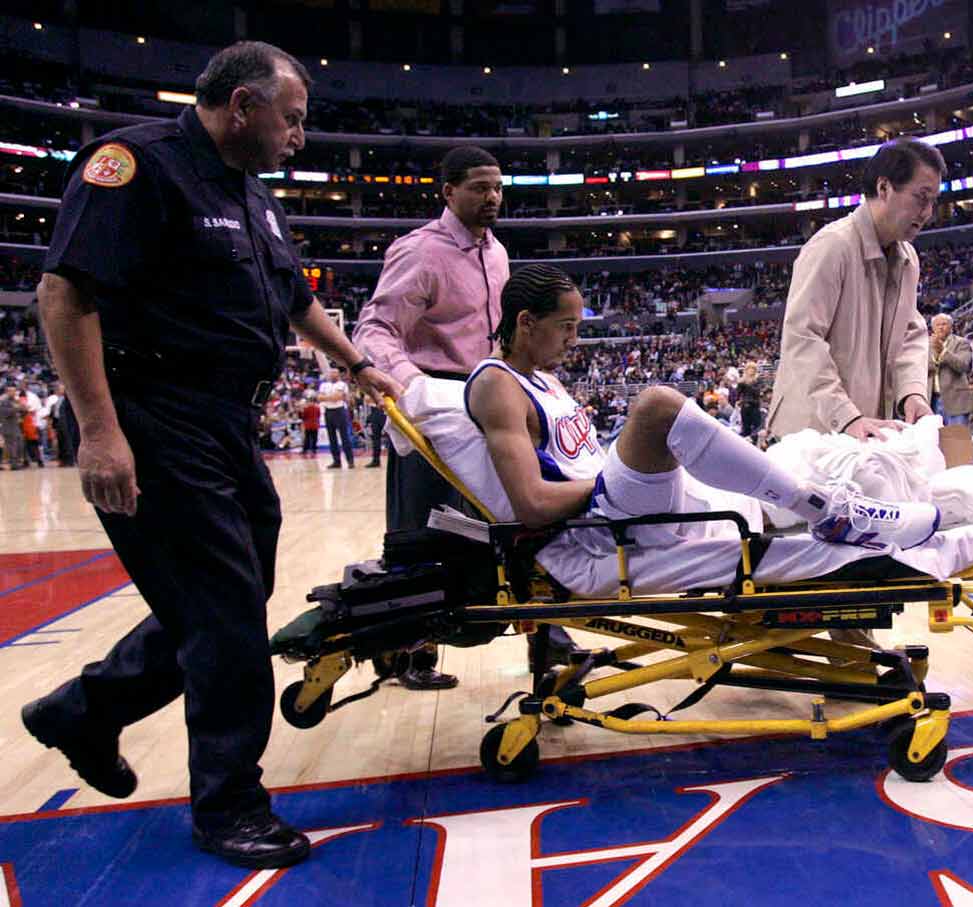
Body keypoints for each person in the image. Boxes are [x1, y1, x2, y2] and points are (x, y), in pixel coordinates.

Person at [21, 42, 403, 868]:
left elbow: (295, 299)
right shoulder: (137, 165)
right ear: (242, 106)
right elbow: (66, 291)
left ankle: (84, 709)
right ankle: (228, 803)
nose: (302, 135)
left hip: (228, 424)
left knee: (226, 598)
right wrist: (98, 429)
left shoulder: (255, 197)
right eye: (293, 118)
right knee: (227, 609)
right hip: (154, 418)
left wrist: (360, 364)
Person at [467, 265, 940, 562]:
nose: (574, 339)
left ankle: (857, 495)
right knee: (655, 406)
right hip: (598, 520)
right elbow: (530, 504)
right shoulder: (496, 385)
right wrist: (605, 480)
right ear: (526, 323)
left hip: (613, 498)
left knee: (795, 450)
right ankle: (826, 511)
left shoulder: (543, 379)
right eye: (565, 327)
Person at [352, 145, 572, 687]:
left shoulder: (497, 254)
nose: (492, 197)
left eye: (497, 187)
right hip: (436, 407)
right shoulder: (420, 252)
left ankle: (552, 649)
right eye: (479, 187)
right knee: (420, 535)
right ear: (448, 192)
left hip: (489, 397)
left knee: (519, 526)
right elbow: (375, 331)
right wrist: (415, 389)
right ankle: (408, 653)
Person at [767, 137, 945, 441]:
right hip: (809, 434)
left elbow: (910, 334)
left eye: (933, 202)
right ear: (884, 188)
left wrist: (913, 393)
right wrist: (845, 415)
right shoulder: (832, 246)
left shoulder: (908, 259)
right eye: (921, 197)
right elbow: (802, 339)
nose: (927, 212)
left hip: (865, 430)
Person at [930, 314, 973, 426]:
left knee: (956, 440)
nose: (941, 327)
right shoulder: (926, 345)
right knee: (936, 440)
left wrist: (943, 351)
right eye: (937, 325)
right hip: (932, 399)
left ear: (951, 327)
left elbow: (963, 365)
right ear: (933, 328)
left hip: (956, 400)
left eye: (944, 324)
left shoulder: (962, 343)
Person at [318, 368, 354, 468]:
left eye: (335, 372)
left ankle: (350, 461)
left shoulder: (342, 384)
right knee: (332, 438)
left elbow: (337, 397)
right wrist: (331, 397)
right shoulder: (324, 385)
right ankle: (336, 461)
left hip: (340, 411)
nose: (332, 374)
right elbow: (319, 398)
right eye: (331, 373)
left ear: (338, 374)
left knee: (344, 437)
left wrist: (326, 397)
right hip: (328, 411)